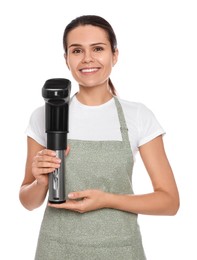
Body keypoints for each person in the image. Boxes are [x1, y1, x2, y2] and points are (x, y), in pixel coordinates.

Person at [19, 15, 180, 260]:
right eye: (76, 50)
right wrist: (41, 182)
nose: (87, 59)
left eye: (98, 49)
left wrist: (107, 200)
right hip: (56, 249)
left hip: (121, 250)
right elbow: (28, 202)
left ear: (114, 55)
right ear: (66, 59)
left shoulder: (138, 116)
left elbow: (169, 202)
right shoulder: (44, 115)